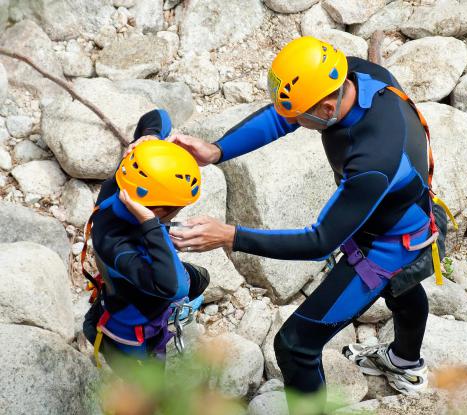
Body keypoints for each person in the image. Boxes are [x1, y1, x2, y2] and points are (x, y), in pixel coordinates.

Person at [149, 36, 451, 411]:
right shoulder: (355, 74)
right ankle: (405, 361)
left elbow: (319, 241)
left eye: (301, 117)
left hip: (389, 245)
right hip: (398, 211)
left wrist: (230, 236)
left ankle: (395, 368)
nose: (293, 121)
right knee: (401, 291)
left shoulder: (373, 159)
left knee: (294, 345)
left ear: (326, 108)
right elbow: (284, 114)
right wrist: (218, 150)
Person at [82, 109, 209, 373]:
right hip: (130, 329)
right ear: (158, 210)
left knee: (200, 278)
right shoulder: (116, 242)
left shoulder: (126, 183)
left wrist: (148, 138)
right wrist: (153, 228)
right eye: (178, 208)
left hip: (131, 286)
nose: (180, 212)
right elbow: (175, 287)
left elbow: (159, 115)